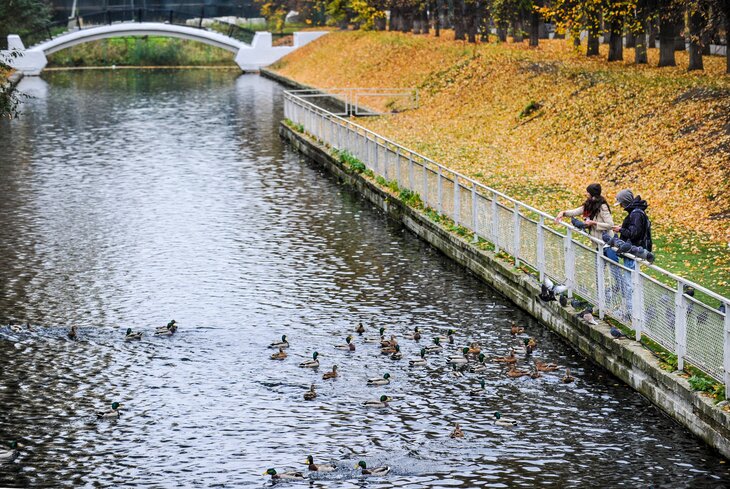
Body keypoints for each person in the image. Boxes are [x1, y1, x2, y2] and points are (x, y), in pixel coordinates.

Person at [555, 183, 616, 259]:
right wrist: (563, 213)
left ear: (592, 194)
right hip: (597, 243)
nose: (586, 194)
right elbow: (576, 211)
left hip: (607, 243)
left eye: (588, 192)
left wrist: (593, 223)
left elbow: (610, 225)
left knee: (614, 268)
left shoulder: (603, 207)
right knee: (598, 268)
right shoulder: (589, 204)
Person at [612, 189, 652, 271]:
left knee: (630, 278)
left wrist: (620, 230)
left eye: (621, 204)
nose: (621, 206)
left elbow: (634, 234)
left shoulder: (635, 214)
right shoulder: (635, 212)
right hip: (633, 250)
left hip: (633, 250)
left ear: (625, 202)